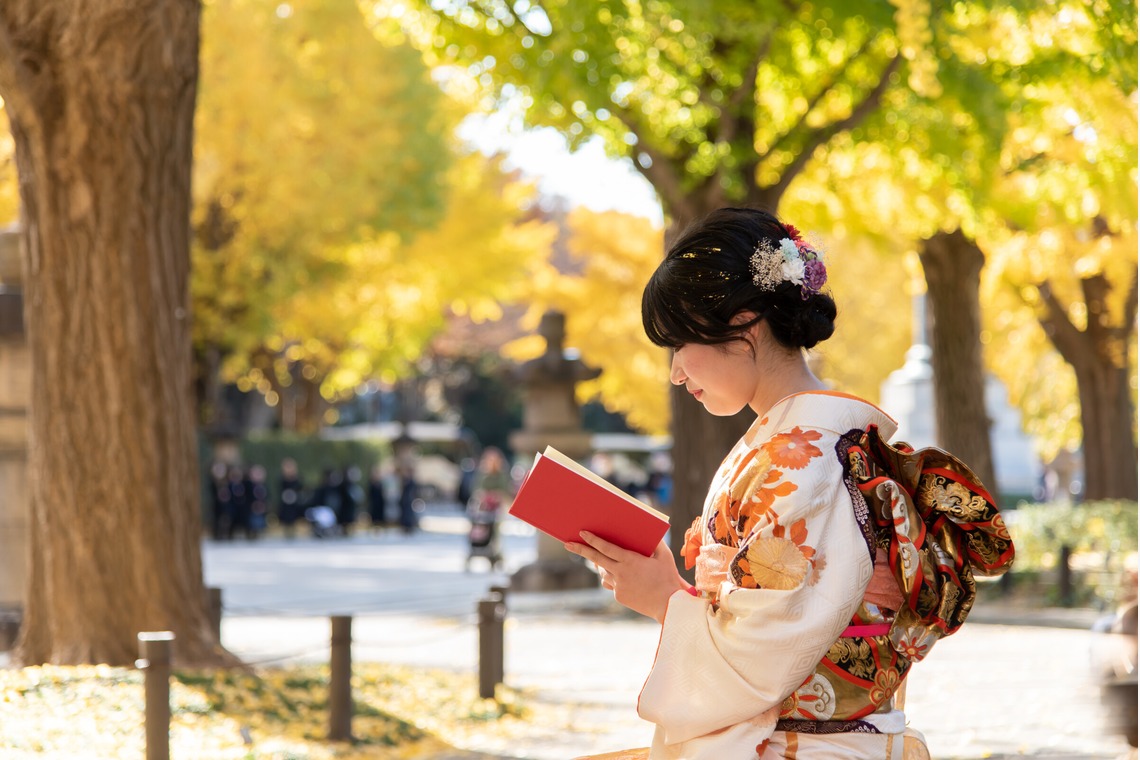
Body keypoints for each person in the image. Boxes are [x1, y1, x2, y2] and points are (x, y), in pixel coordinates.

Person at [564, 208, 1014, 759]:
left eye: (680, 345)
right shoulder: (812, 444)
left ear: (746, 325)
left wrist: (664, 601)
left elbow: (765, 659)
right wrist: (684, 591)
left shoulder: (801, 460)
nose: (676, 373)